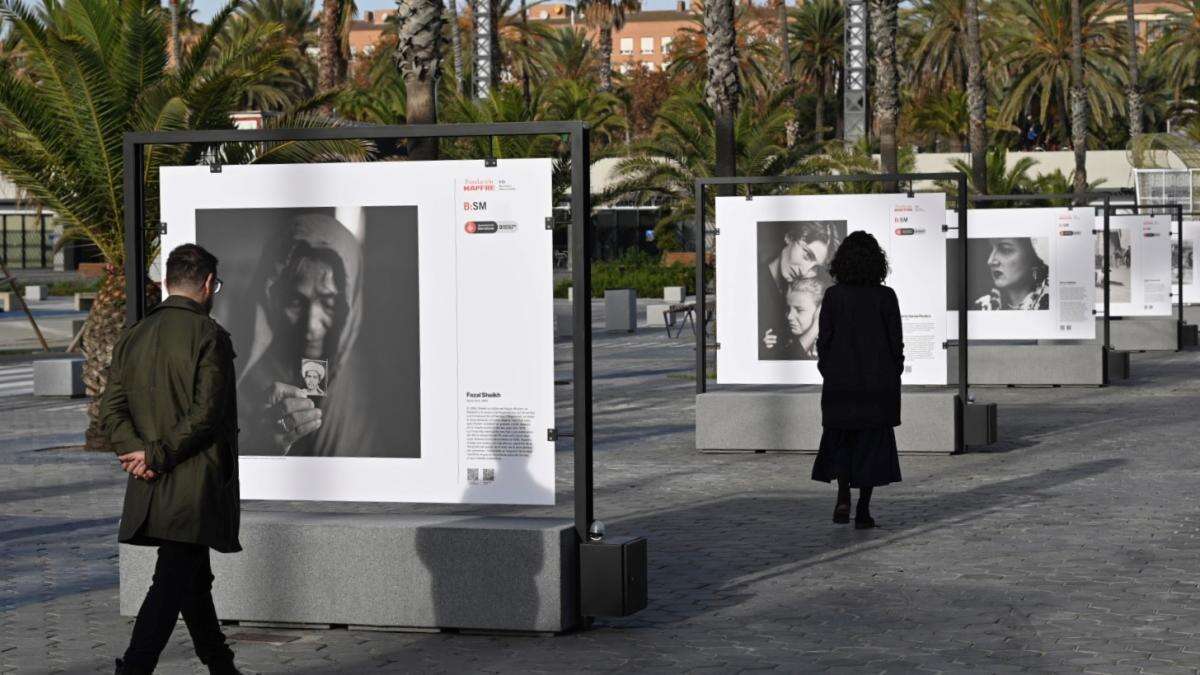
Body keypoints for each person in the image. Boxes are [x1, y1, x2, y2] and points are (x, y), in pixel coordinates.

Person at [101, 244, 242, 674]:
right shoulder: (209, 336)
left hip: (151, 481)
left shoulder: (135, 335)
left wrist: (136, 452)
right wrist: (155, 455)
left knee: (192, 580)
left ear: (166, 282)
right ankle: (135, 667)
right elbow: (206, 414)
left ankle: (221, 666)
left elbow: (111, 408)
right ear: (206, 284)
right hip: (192, 483)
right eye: (214, 286)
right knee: (171, 581)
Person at [238, 214, 362, 456]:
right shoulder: (238, 380)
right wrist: (261, 449)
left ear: (351, 305)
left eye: (328, 302)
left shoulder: (374, 386)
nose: (311, 327)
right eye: (295, 301)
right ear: (272, 298)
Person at [812, 231, 903, 529]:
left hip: (841, 385)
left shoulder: (834, 296)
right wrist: (892, 373)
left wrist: (830, 371)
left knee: (842, 442)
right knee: (871, 450)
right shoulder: (885, 296)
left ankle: (842, 495)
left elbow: (823, 341)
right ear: (877, 263)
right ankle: (863, 511)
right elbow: (896, 344)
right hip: (877, 387)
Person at [759, 222, 841, 358]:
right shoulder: (754, 285)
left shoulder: (800, 295)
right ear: (790, 237)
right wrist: (815, 328)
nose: (804, 271)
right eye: (807, 255)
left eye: (815, 268)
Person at [762, 275, 828, 360]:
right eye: (788, 309)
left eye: (799, 310)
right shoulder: (782, 339)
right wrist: (765, 350)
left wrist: (816, 326)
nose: (789, 316)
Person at [974, 237, 1050, 311]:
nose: (990, 261)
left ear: (1032, 256)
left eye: (1005, 250)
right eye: (990, 250)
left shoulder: (1047, 302)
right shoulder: (982, 306)